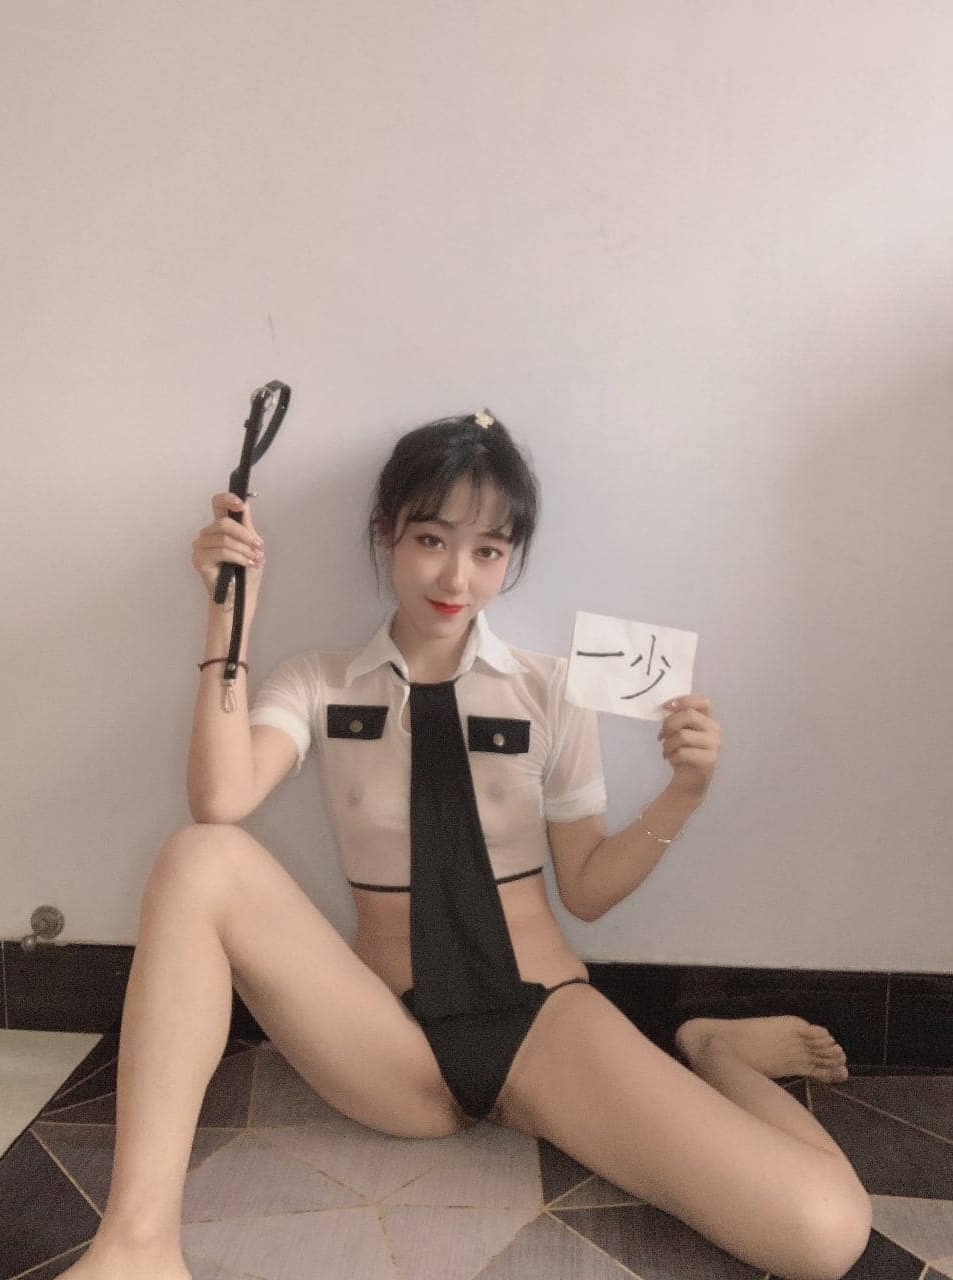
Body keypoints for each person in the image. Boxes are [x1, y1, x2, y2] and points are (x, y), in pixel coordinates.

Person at [61, 411, 872, 1280]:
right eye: (431, 540)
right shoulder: (320, 682)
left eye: (488, 550)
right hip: (388, 1039)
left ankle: (714, 1050)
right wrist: (230, 614)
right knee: (198, 856)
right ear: (386, 534)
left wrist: (685, 792)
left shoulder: (551, 690)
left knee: (823, 1235)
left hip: (542, 1022)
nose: (456, 577)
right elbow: (220, 799)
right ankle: (137, 1247)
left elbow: (587, 888)